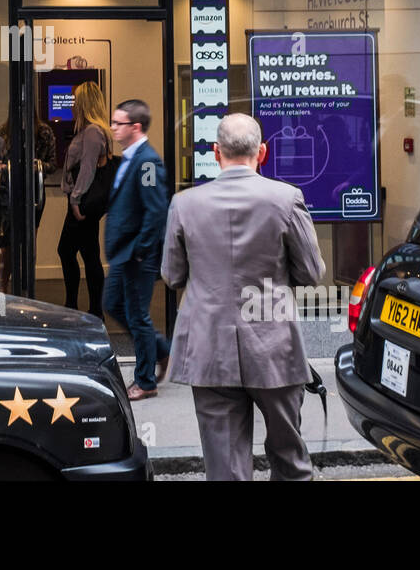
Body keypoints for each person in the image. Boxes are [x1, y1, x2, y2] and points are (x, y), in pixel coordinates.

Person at [162, 112, 325, 480]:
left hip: (209, 346)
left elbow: (172, 276)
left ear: (215, 152)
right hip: (274, 345)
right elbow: (312, 273)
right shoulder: (286, 199)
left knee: (225, 466)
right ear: (262, 152)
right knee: (290, 458)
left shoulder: (184, 204)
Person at [103, 99, 171, 401]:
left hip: (136, 254)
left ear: (136, 127)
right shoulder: (130, 157)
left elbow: (156, 211)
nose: (113, 128)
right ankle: (160, 349)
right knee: (112, 303)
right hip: (123, 253)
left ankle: (145, 381)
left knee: (137, 315)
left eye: (118, 123)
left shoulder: (146, 162)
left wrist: (141, 249)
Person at [58, 81, 114, 318]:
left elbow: (88, 169)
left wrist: (75, 200)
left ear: (85, 103)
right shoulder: (94, 131)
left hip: (82, 203)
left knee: (66, 250)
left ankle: (75, 306)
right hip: (85, 202)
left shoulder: (92, 132)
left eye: (76, 101)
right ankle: (93, 310)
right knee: (89, 252)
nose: (73, 105)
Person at [0, 114, 57, 292]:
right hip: (8, 193)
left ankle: (26, 286)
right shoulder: (4, 132)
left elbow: (52, 164)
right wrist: (4, 166)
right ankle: (4, 288)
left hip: (33, 193)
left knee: (29, 241)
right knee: (6, 244)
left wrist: (36, 166)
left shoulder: (44, 132)